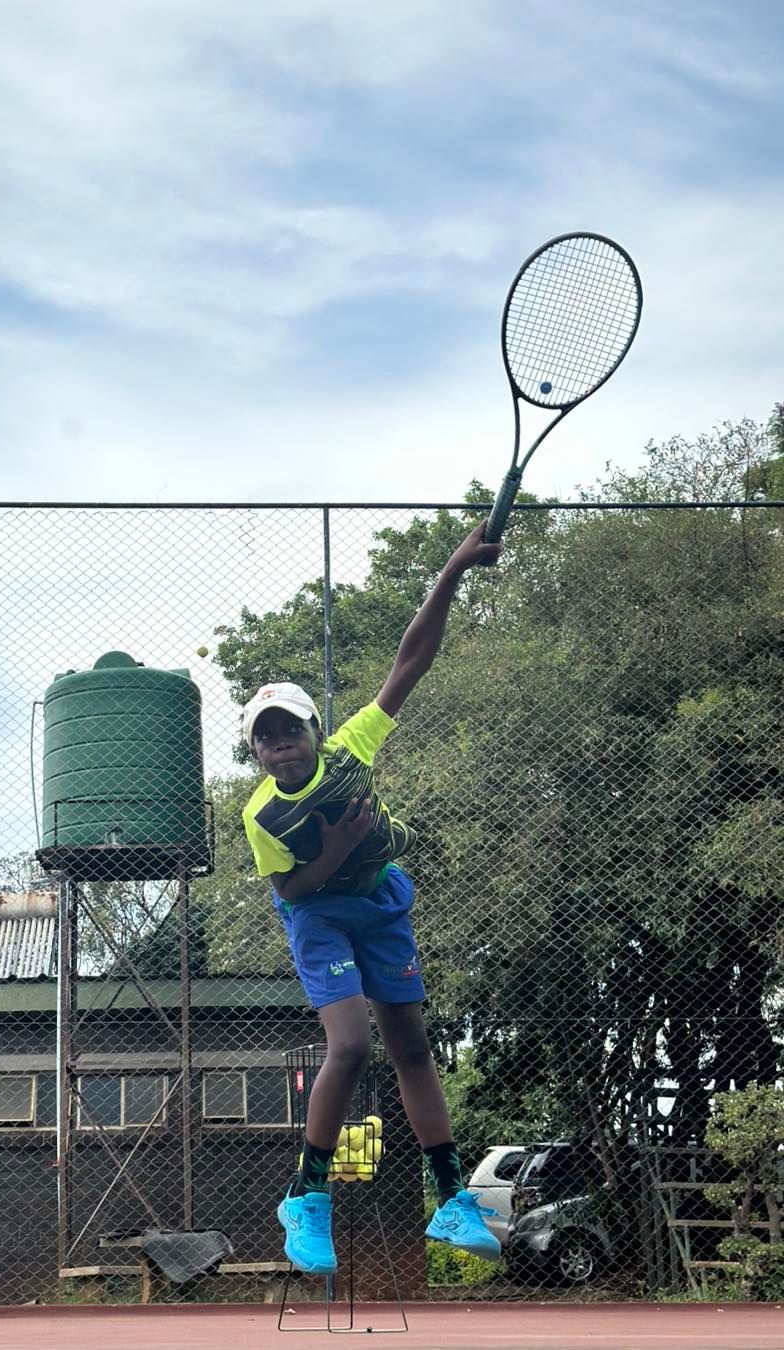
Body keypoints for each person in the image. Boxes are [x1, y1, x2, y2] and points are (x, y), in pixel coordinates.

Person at [240, 520, 504, 1277]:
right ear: (256, 752)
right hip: (318, 911)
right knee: (351, 1047)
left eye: (292, 727)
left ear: (317, 732)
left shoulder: (353, 746)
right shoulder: (263, 815)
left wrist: (454, 567)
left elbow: (412, 659)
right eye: (267, 736)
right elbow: (291, 889)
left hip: (382, 901)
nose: (281, 741)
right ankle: (306, 1197)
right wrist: (338, 850)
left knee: (414, 1047)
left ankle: (453, 1200)